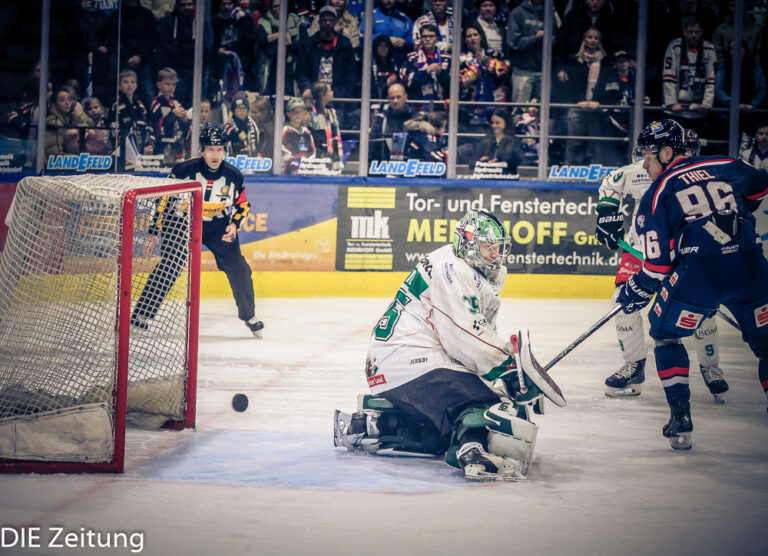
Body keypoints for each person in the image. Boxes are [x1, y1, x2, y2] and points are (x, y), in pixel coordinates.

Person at [334, 209, 566, 481]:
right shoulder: (453, 271)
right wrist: (506, 370)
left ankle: (376, 424)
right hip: (410, 360)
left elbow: (471, 336)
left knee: (446, 429)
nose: (495, 255)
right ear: (468, 243)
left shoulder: (455, 263)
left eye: (498, 249)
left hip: (395, 363)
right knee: (484, 404)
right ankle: (472, 452)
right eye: (487, 248)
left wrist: (503, 371)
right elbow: (465, 336)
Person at [616, 119, 768, 450]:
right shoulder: (726, 163)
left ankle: (681, 417)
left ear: (668, 152)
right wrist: (739, 211)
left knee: (666, 334)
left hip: (702, 276)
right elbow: (760, 186)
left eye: (648, 155)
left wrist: (635, 289)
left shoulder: (657, 194)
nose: (644, 163)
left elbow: (657, 266)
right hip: (752, 266)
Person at [596, 129, 728, 401]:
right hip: (642, 251)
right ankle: (634, 366)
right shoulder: (644, 170)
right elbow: (613, 180)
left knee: (702, 311)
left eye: (692, 153)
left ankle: (710, 366)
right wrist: (607, 213)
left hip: (685, 253)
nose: (688, 158)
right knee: (623, 303)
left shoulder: (703, 176)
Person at [131, 127, 264, 337]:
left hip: (217, 225)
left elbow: (242, 205)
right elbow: (163, 200)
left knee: (239, 267)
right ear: (202, 150)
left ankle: (249, 316)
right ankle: (142, 315)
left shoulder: (234, 175)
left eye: (219, 149)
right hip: (181, 220)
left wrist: (234, 225)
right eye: (210, 149)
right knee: (170, 264)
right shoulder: (183, 170)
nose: (215, 154)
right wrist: (153, 233)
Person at [553, 26, 611, 165]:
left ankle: (596, 173)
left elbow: (606, 84)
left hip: (596, 107)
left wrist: (597, 101)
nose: (592, 40)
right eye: (589, 37)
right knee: (573, 141)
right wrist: (580, 101)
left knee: (595, 142)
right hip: (576, 105)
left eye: (596, 38)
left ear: (599, 41)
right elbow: (572, 85)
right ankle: (568, 168)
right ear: (584, 40)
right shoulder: (574, 60)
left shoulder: (606, 61)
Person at [661, 17, 716, 139]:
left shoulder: (708, 48)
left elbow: (711, 78)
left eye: (696, 32)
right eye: (690, 32)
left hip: (698, 111)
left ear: (701, 33)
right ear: (684, 32)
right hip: (677, 110)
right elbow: (668, 74)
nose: (693, 35)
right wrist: (671, 103)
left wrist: (707, 102)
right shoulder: (675, 46)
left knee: (697, 146)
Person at [457, 23, 509, 130]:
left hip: (496, 99)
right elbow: (460, 82)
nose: (473, 38)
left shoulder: (494, 53)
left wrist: (485, 61)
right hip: (472, 103)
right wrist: (477, 67)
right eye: (469, 36)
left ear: (481, 36)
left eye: (475, 35)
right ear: (465, 40)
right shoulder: (460, 58)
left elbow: (503, 72)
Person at [111, 69, 154, 169]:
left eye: (132, 82)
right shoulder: (116, 105)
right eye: (125, 82)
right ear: (119, 85)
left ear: (136, 85)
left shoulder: (140, 105)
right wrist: (119, 142)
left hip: (140, 148)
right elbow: (113, 127)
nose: (129, 85)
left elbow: (146, 127)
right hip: (123, 149)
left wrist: (147, 145)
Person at [401, 24, 451, 105]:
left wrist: (441, 74)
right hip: (418, 105)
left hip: (441, 104)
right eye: (425, 36)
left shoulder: (447, 58)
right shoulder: (411, 58)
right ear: (420, 38)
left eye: (431, 36)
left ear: (437, 38)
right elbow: (406, 81)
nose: (428, 39)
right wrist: (427, 71)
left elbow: (453, 84)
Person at [150, 67, 191, 166]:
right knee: (159, 173)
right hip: (161, 146)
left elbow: (185, 124)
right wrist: (173, 115)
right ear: (159, 85)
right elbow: (156, 125)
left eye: (173, 84)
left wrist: (185, 119)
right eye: (167, 84)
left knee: (179, 172)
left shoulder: (176, 103)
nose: (171, 87)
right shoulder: (156, 103)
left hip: (177, 145)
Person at [360, 0, 414, 66]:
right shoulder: (371, 15)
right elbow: (363, 37)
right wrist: (385, 39)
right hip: (376, 64)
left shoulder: (404, 18)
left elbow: (414, 38)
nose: (388, 1)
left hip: (400, 63)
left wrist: (405, 41)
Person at [369, 82, 413, 162]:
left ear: (405, 97)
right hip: (384, 167)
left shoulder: (415, 119)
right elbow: (372, 148)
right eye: (392, 98)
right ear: (388, 99)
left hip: (409, 166)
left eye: (398, 97)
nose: (395, 101)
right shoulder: (380, 120)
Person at [473, 108, 522, 175]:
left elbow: (520, 162)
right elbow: (472, 163)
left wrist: (501, 164)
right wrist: (480, 162)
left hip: (507, 179)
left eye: (497, 123)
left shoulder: (514, 141)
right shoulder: (485, 141)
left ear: (506, 123)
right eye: (492, 123)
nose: (494, 126)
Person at [309, 82, 344, 173]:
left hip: (331, 154)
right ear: (322, 95)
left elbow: (336, 136)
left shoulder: (331, 112)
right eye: (330, 91)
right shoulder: (310, 113)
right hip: (315, 155)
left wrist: (338, 157)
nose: (332, 92)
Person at [281, 97, 315, 174]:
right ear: (288, 113)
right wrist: (292, 159)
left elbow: (312, 150)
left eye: (300, 111)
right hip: (288, 168)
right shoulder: (285, 130)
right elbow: (281, 147)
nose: (297, 114)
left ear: (304, 113)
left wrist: (308, 161)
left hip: (304, 168)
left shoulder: (306, 132)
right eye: (294, 111)